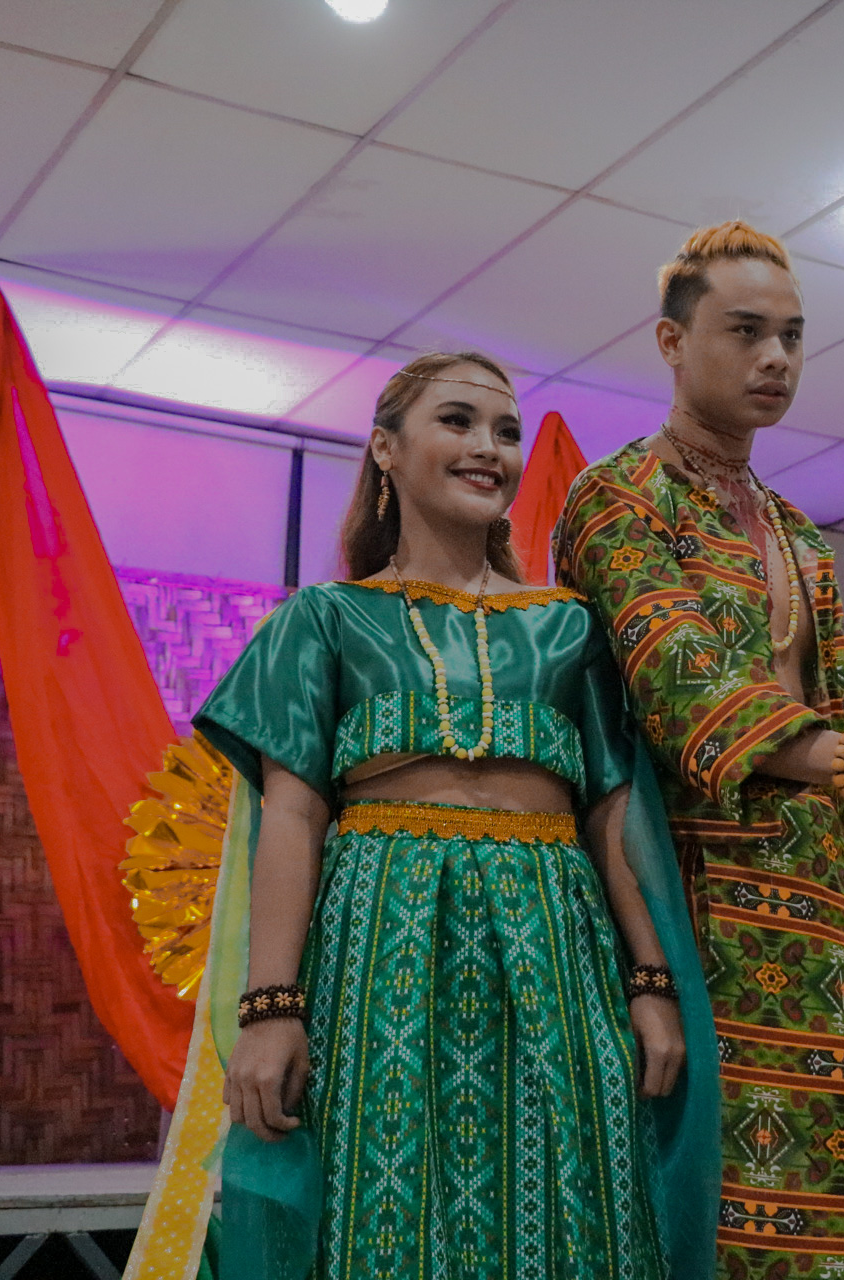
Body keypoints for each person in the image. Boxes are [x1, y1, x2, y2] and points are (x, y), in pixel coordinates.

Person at [196, 351, 707, 1278]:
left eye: (506, 432)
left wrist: (651, 980)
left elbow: (611, 815)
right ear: (385, 449)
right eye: (459, 421)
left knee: (579, 1201)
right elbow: (293, 818)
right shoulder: (325, 620)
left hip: (557, 949)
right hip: (380, 952)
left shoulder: (570, 626)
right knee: (383, 1212)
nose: (489, 448)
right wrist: (269, 1009)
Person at [554, 221, 844, 1279]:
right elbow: (684, 686)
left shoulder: (799, 534)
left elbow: (834, 716)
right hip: (691, 908)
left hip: (822, 913)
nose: (776, 357)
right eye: (746, 331)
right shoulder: (615, 499)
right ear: (672, 341)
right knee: (718, 1214)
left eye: (791, 336)